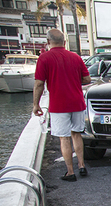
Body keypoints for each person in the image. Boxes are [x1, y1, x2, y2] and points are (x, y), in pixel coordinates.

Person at [33, 29, 91, 182]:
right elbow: (86, 79)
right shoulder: (75, 57)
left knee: (64, 138)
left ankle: (70, 172)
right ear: (64, 42)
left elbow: (39, 84)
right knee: (77, 134)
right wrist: (72, 81)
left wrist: (36, 105)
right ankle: (82, 165)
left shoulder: (44, 58)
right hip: (77, 102)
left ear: (48, 42)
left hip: (59, 105)